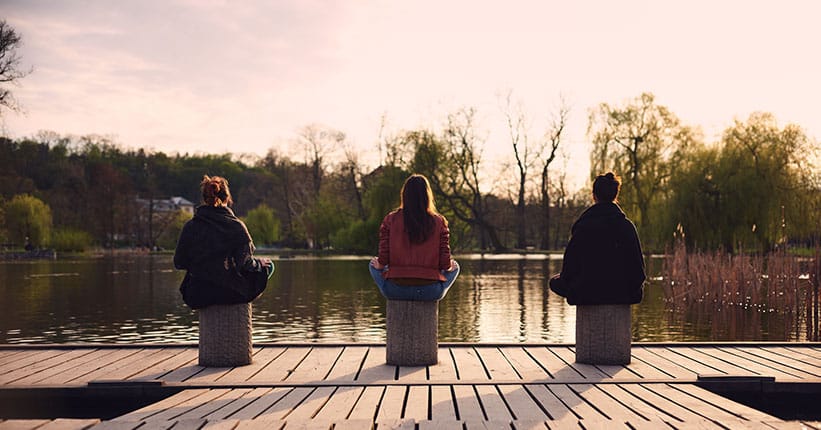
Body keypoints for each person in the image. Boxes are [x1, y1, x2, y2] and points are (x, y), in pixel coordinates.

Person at [174, 175, 274, 309]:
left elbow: (179, 263)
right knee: (269, 265)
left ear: (204, 199)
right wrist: (258, 264)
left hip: (198, 293)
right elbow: (245, 264)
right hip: (231, 292)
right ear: (227, 198)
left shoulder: (190, 226)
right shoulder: (236, 226)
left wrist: (201, 265)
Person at [549, 172, 645, 305]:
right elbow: (638, 272)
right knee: (636, 288)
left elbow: (569, 270)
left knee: (554, 282)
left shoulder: (582, 227)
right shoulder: (626, 226)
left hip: (586, 293)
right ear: (615, 196)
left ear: (594, 196)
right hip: (621, 294)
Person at [369, 173, 459, 301]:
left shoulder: (390, 219)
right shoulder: (439, 222)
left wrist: (380, 264)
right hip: (429, 291)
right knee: (456, 267)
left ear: (404, 195)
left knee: (372, 264)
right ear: (427, 196)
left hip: (396, 290)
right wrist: (450, 266)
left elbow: (383, 260)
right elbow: (445, 264)